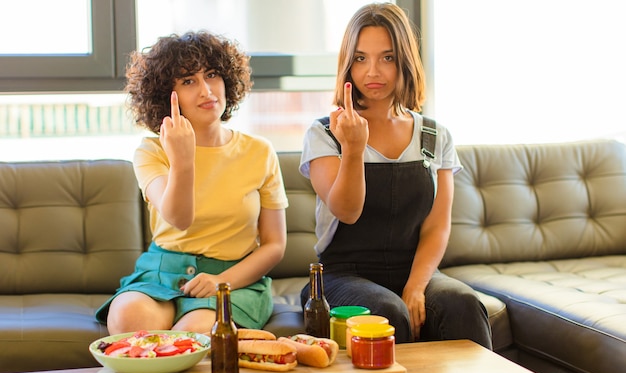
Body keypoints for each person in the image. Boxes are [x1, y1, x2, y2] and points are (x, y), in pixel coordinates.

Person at [299, 3, 492, 348]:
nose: (373, 71)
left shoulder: (435, 136)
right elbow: (347, 211)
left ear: (404, 60)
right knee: (387, 313)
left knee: (461, 303)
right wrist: (354, 149)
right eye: (360, 58)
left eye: (386, 58)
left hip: (413, 267)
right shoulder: (325, 134)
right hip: (342, 276)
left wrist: (417, 286)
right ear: (347, 64)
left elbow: (437, 226)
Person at [96, 31, 288, 335]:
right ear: (165, 96)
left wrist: (220, 281)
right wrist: (183, 160)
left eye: (212, 75)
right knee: (129, 319)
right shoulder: (152, 151)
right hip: (162, 271)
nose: (206, 90)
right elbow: (179, 218)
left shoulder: (259, 151)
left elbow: (275, 245)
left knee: (196, 337)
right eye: (188, 81)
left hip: (232, 279)